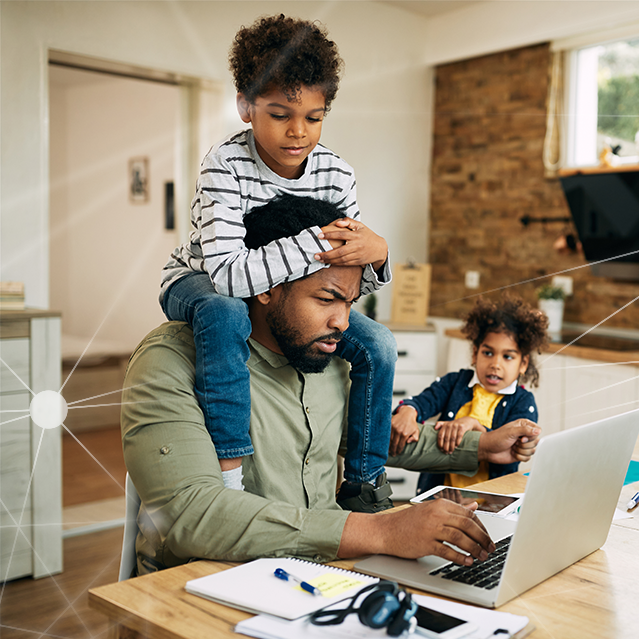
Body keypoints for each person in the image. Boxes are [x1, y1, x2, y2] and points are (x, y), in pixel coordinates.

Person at [122, 195, 541, 577]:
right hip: (205, 586)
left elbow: (366, 437)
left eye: (350, 303)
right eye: (326, 299)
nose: (342, 322)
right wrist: (380, 531)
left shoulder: (328, 354)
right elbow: (190, 515)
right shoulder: (171, 361)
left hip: (326, 575)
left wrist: (482, 448)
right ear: (266, 286)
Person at [159, 14, 396, 511]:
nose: (298, 132)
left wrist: (378, 253)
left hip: (272, 292)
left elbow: (341, 279)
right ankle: (229, 473)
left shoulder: (337, 173)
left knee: (377, 342)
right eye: (279, 113)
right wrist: (316, 241)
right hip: (198, 277)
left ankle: (364, 480)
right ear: (245, 106)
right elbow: (228, 273)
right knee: (226, 313)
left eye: (313, 116)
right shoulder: (223, 165)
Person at [389, 296, 548, 493]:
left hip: (489, 504)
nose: (495, 364)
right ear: (475, 354)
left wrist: (473, 425)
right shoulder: (455, 383)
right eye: (488, 353)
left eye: (507, 356)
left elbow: (509, 450)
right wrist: (408, 411)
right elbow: (422, 402)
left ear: (523, 363)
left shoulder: (523, 402)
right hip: (441, 496)